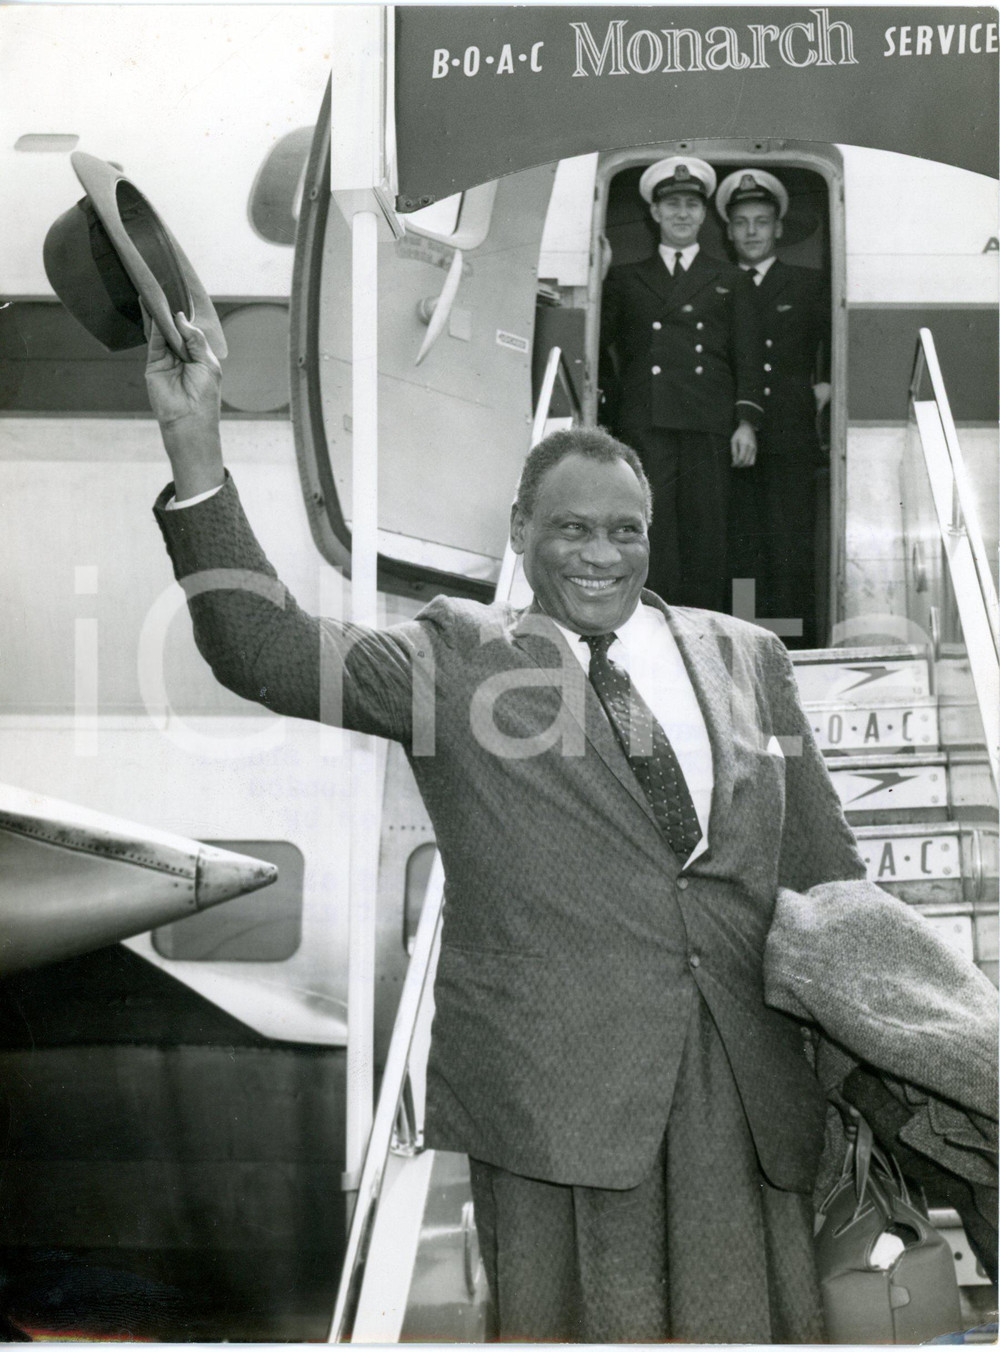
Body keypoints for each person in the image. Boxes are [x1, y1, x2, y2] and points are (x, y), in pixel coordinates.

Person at [145, 313, 867, 1344]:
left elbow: (827, 876)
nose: (601, 553)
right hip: (558, 1095)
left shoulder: (745, 656)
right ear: (521, 528)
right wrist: (194, 444)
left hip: (742, 1090)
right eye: (571, 527)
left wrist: (876, 1066)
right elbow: (261, 645)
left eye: (626, 528)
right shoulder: (459, 657)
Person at [600, 155, 764, 613]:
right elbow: (601, 342)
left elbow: (747, 357)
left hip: (708, 422)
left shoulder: (730, 278)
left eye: (691, 205)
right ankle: (653, 623)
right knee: (653, 534)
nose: (681, 214)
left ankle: (702, 630)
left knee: (707, 534)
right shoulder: (626, 277)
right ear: (654, 213)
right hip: (647, 421)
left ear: (705, 213)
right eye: (671, 204)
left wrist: (746, 421)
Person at [716, 168, 832, 648]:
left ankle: (793, 650)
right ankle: (748, 644)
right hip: (730, 434)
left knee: (789, 543)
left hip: (790, 433)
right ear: (727, 229)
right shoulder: (714, 284)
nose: (751, 232)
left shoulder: (808, 285)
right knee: (739, 545)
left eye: (761, 221)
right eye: (741, 222)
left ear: (778, 228)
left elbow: (839, 341)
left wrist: (827, 386)